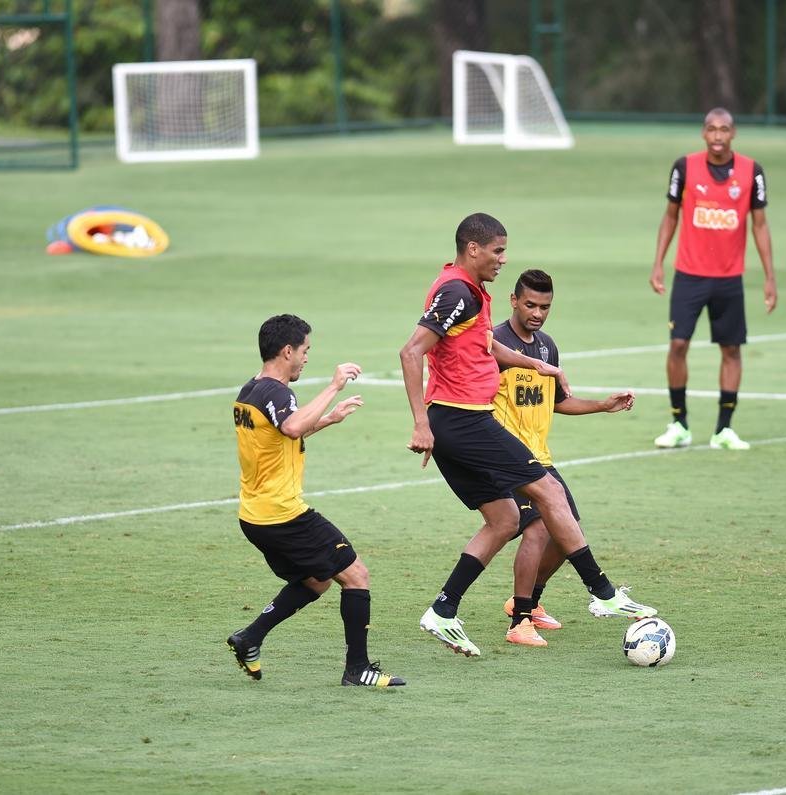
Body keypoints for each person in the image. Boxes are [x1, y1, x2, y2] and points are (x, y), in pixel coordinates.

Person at [401, 213, 657, 658]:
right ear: (473, 248)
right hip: (463, 418)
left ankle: (442, 611)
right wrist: (421, 423)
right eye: (498, 251)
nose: (503, 259)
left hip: (457, 421)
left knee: (505, 520)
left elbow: (485, 347)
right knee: (548, 491)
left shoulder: (468, 290)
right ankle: (602, 592)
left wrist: (535, 364)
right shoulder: (458, 291)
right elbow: (410, 352)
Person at [226, 314, 405, 687]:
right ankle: (358, 670)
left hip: (255, 515)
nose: (306, 358)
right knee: (356, 576)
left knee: (318, 580)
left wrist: (327, 420)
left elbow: (281, 436)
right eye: (305, 351)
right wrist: (334, 387)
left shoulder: (251, 391)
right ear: (287, 350)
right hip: (284, 514)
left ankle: (250, 638)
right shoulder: (278, 393)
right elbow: (291, 426)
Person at [490, 269, 641, 647]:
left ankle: (527, 603)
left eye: (545, 307)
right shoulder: (494, 343)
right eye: (530, 304)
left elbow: (557, 402)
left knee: (566, 528)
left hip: (540, 458)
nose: (537, 313)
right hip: (505, 455)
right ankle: (519, 623)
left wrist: (601, 405)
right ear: (513, 300)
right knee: (539, 526)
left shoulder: (546, 347)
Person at [649, 107, 777, 451]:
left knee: (731, 349)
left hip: (729, 278)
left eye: (724, 129)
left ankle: (724, 429)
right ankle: (679, 423)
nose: (718, 136)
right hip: (689, 275)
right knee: (678, 346)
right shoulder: (684, 167)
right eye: (711, 129)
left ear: (733, 133)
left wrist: (769, 277)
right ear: (703, 134)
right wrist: (658, 263)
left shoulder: (752, 171)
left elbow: (760, 226)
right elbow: (670, 216)